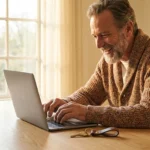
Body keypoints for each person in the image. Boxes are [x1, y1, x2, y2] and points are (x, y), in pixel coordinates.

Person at [43, 0, 150, 128]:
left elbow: (147, 113)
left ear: (128, 29)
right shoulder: (109, 61)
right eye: (95, 36)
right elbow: (89, 94)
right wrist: (65, 103)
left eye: (104, 35)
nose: (98, 45)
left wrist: (88, 113)